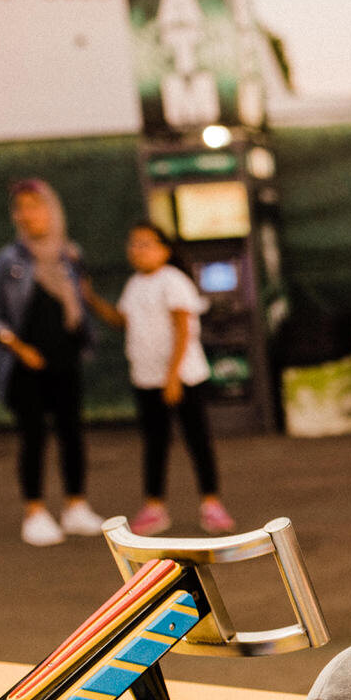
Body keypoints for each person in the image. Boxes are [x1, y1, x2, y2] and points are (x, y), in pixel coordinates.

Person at [0, 178, 104, 547]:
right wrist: (16, 346)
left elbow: (81, 305)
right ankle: (35, 511)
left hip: (66, 360)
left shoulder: (71, 255)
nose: (28, 214)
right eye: (21, 208)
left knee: (72, 434)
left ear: (52, 208)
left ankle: (75, 506)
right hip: (23, 368)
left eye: (36, 204)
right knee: (33, 437)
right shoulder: (7, 260)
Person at [81, 222, 235, 536]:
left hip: (184, 378)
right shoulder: (134, 284)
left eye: (145, 243)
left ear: (164, 250)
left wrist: (174, 377)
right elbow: (120, 321)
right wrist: (90, 299)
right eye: (133, 243)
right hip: (146, 379)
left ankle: (212, 505)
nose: (137, 250)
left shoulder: (174, 281)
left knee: (198, 441)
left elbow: (183, 330)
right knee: (154, 443)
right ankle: (154, 508)